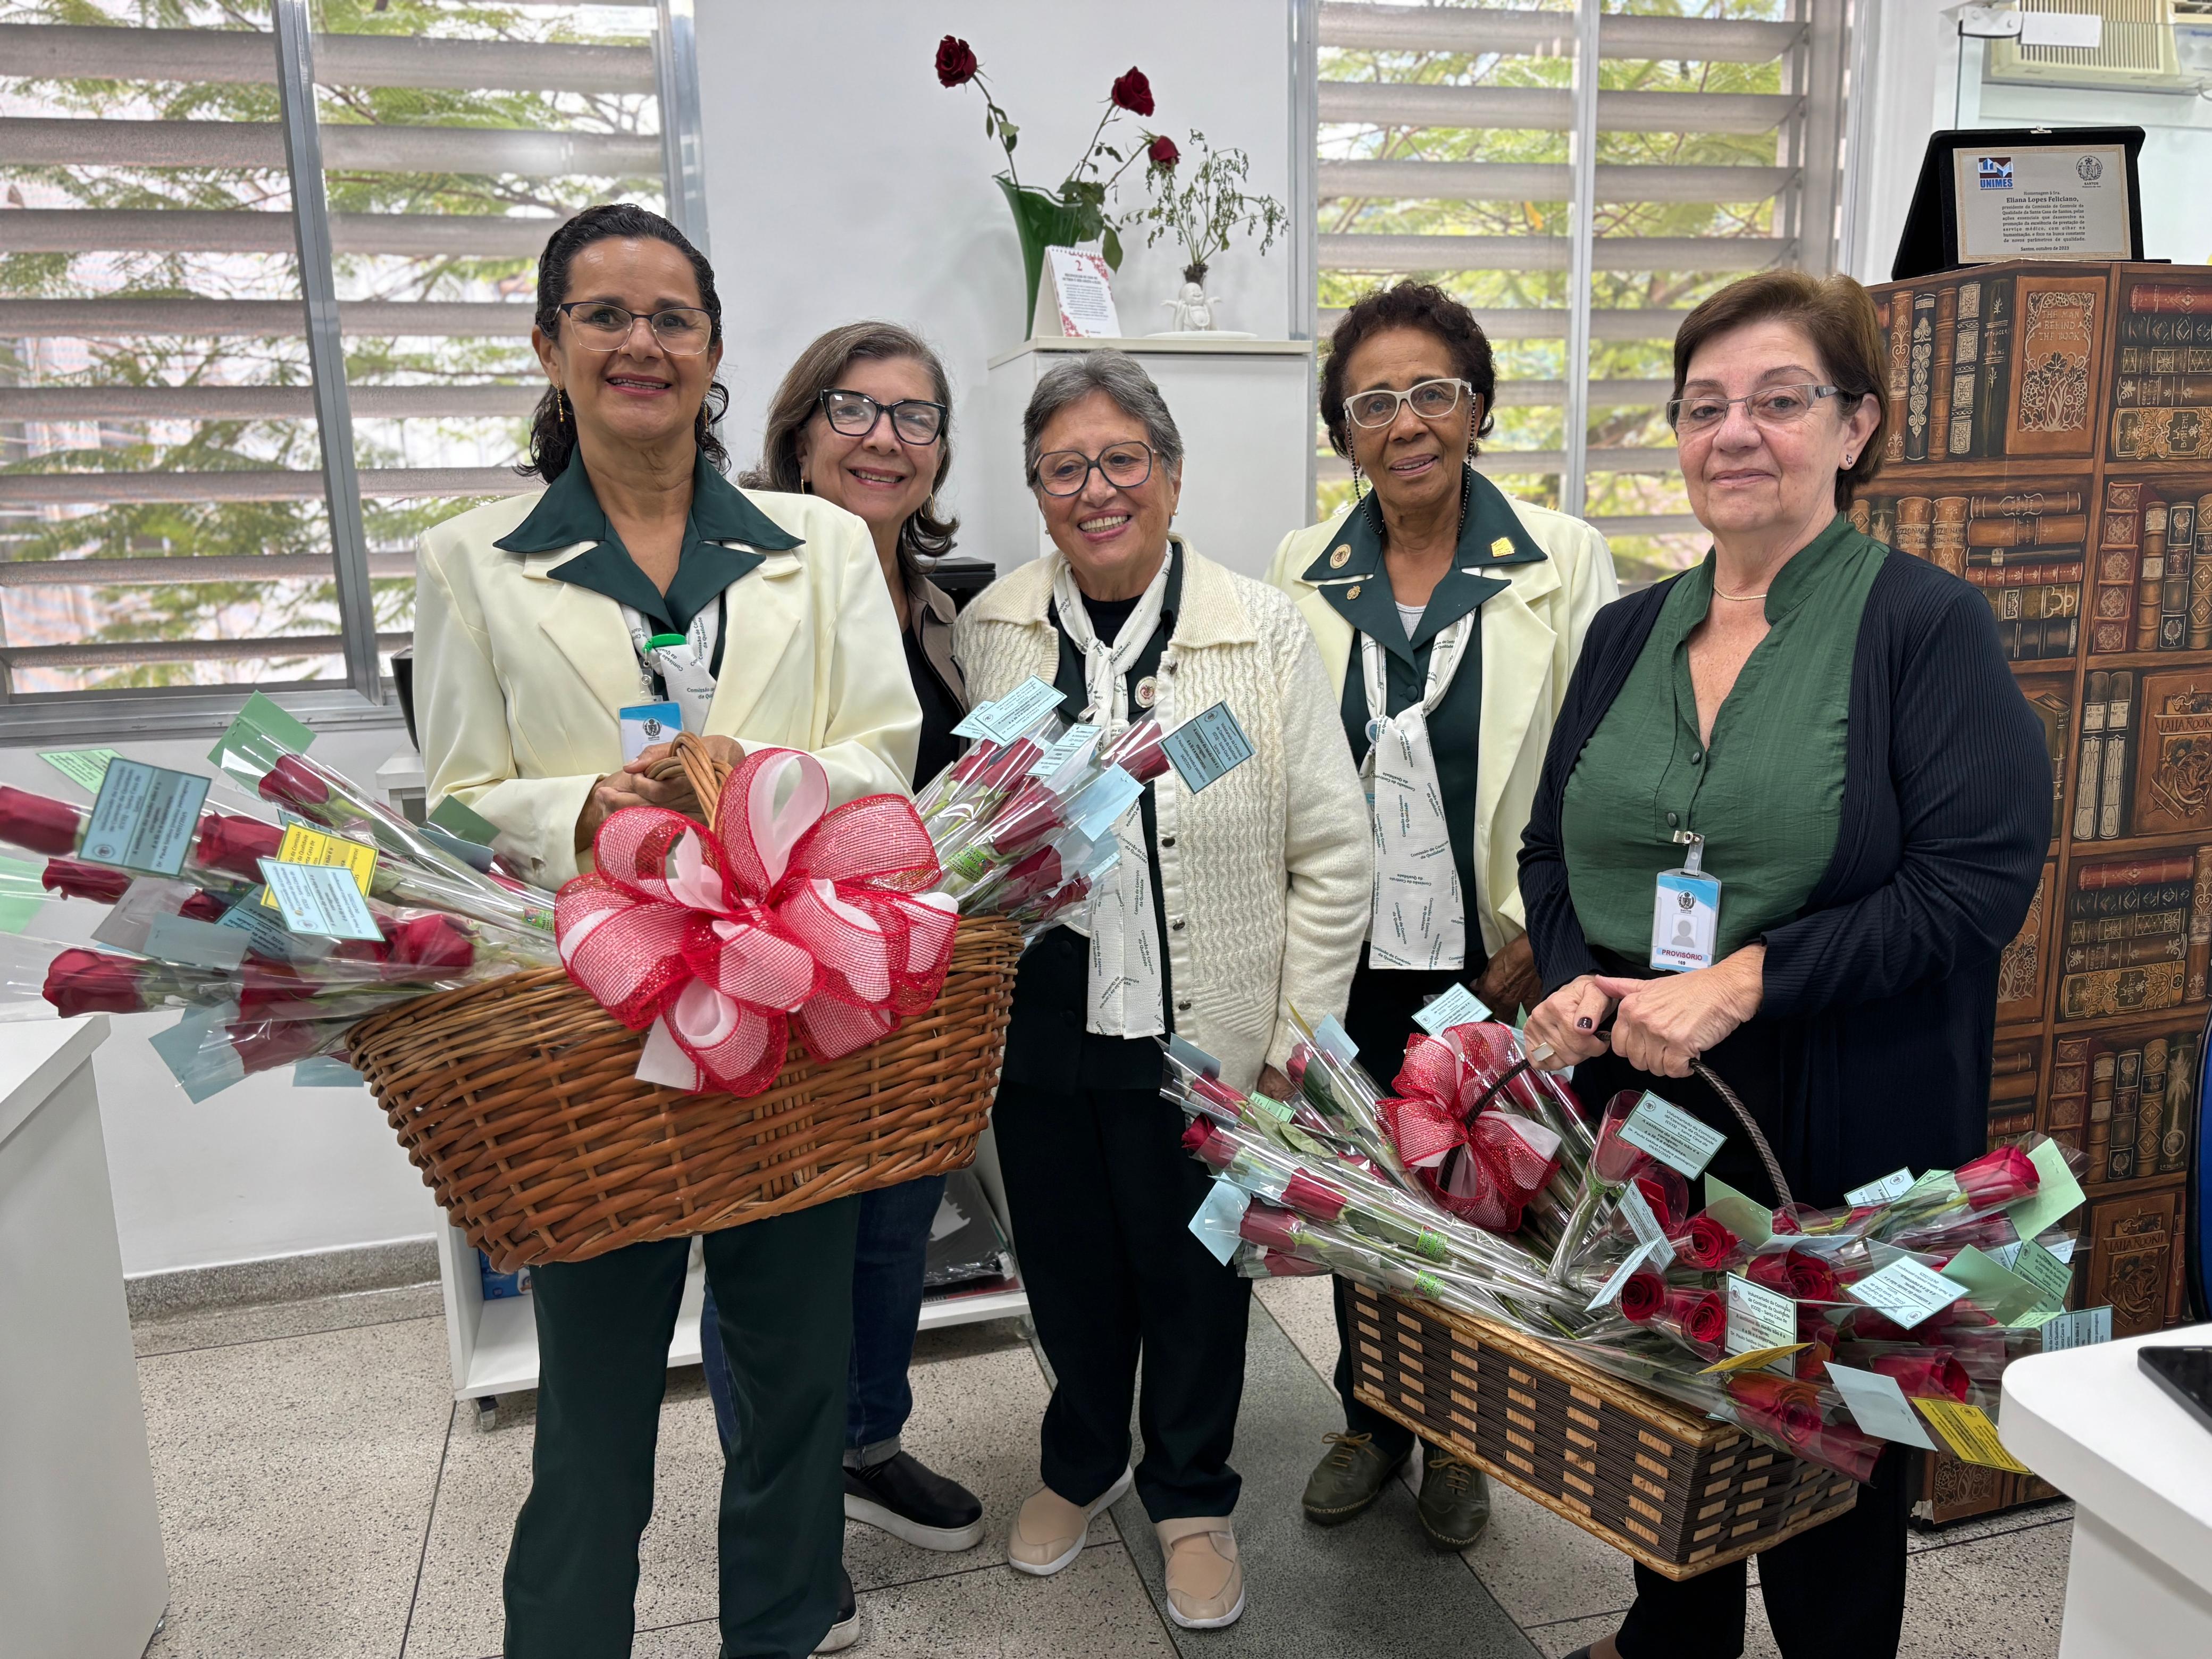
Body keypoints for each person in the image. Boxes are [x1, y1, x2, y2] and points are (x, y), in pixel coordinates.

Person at [1516, 270, 2048, 1659]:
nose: (1735, 432)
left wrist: (1744, 979)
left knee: (1827, 1457)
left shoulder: (1924, 626)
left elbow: (1977, 879)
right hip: (1652, 1106)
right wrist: (1572, 975)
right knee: (1664, 1410)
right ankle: (1668, 1644)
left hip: (1845, 1116)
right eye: (1704, 406)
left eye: (1778, 400)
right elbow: (1550, 848)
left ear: (1855, 427)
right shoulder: (1626, 632)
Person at [414, 204, 920, 1659]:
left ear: (711, 350)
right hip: (595, 1027)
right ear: (549, 347)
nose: (641, 343)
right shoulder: (471, 561)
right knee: (593, 1394)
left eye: (672, 319)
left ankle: (781, 1627)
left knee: (797, 1373)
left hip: (789, 1004)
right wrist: (587, 808)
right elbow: (456, 798)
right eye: (605, 316)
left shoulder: (820, 543)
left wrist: (752, 787)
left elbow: (885, 750)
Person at [952, 351, 1370, 1630]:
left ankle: (1191, 1492)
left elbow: (1332, 852)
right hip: (1043, 1020)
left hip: (1203, 1030)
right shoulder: (994, 627)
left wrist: (1293, 1037)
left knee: (1194, 1267)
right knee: (1065, 1260)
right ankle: (1083, 1459)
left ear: (1172, 475)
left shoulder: (1260, 629)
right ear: (1036, 491)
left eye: (1122, 459)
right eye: (1064, 468)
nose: (1096, 490)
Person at [1268, 281, 1619, 1549]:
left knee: (1485, 1188)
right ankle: (1372, 1415)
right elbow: (1283, 757)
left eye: (1431, 392)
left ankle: (1462, 1432)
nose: (1405, 422)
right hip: (1351, 950)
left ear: (1476, 407)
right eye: (1372, 402)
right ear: (1341, 433)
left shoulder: (1562, 559)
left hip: (1500, 952)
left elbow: (1596, 762)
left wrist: (1541, 937)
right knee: (1367, 1187)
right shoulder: (1301, 569)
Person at [691, 322, 984, 1561]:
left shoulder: (945, 608)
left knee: (891, 1227)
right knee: (771, 1235)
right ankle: (779, 1508)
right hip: (777, 965)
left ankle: (864, 1444)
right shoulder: (733, 582)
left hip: (904, 977)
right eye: (853, 409)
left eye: (916, 418)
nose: (884, 440)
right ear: (800, 429)